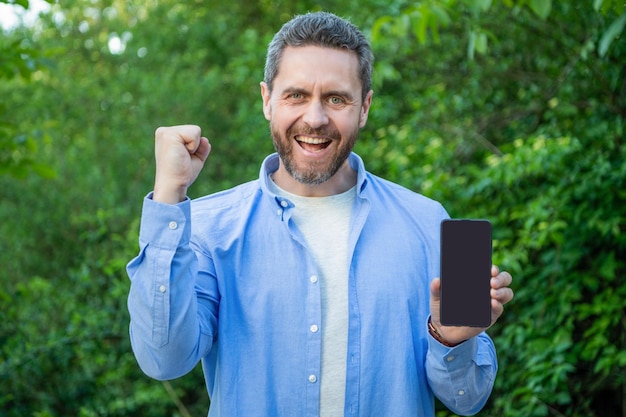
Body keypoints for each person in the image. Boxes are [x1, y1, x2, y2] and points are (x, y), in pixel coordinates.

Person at [126, 11, 514, 417]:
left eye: (336, 98)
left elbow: (467, 399)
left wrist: (450, 340)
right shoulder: (207, 228)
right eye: (296, 95)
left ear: (363, 108)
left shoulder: (430, 222)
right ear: (267, 100)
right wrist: (169, 195)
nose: (315, 118)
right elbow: (164, 360)